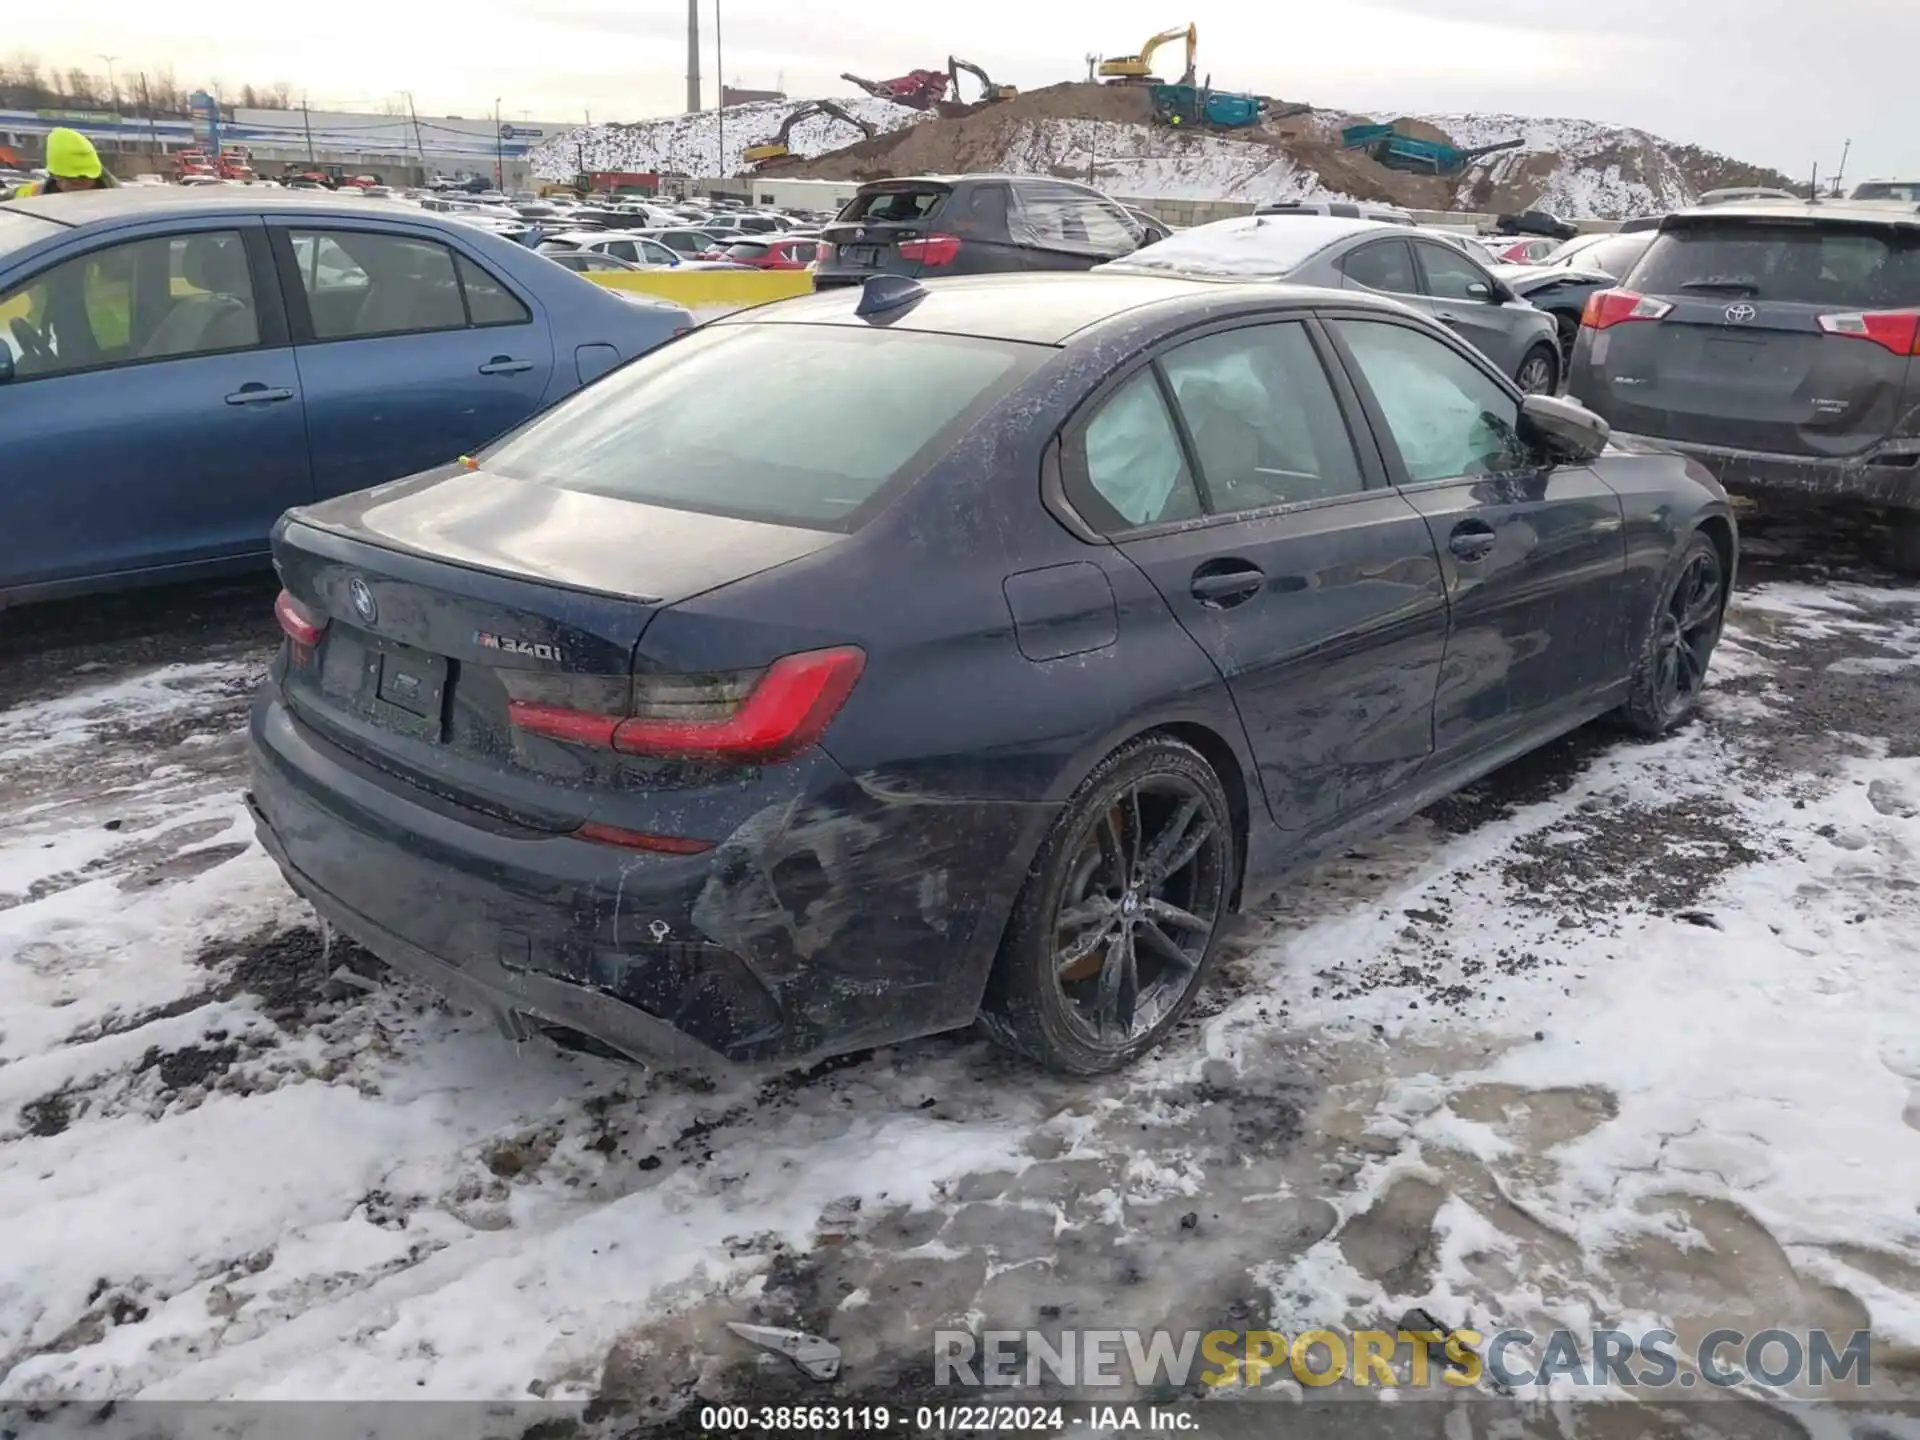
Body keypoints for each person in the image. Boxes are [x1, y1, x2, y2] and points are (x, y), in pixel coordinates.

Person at [5, 129, 118, 200]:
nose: (68, 185)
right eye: (62, 178)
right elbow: (10, 196)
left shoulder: (119, 205)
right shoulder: (35, 194)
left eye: (81, 178)